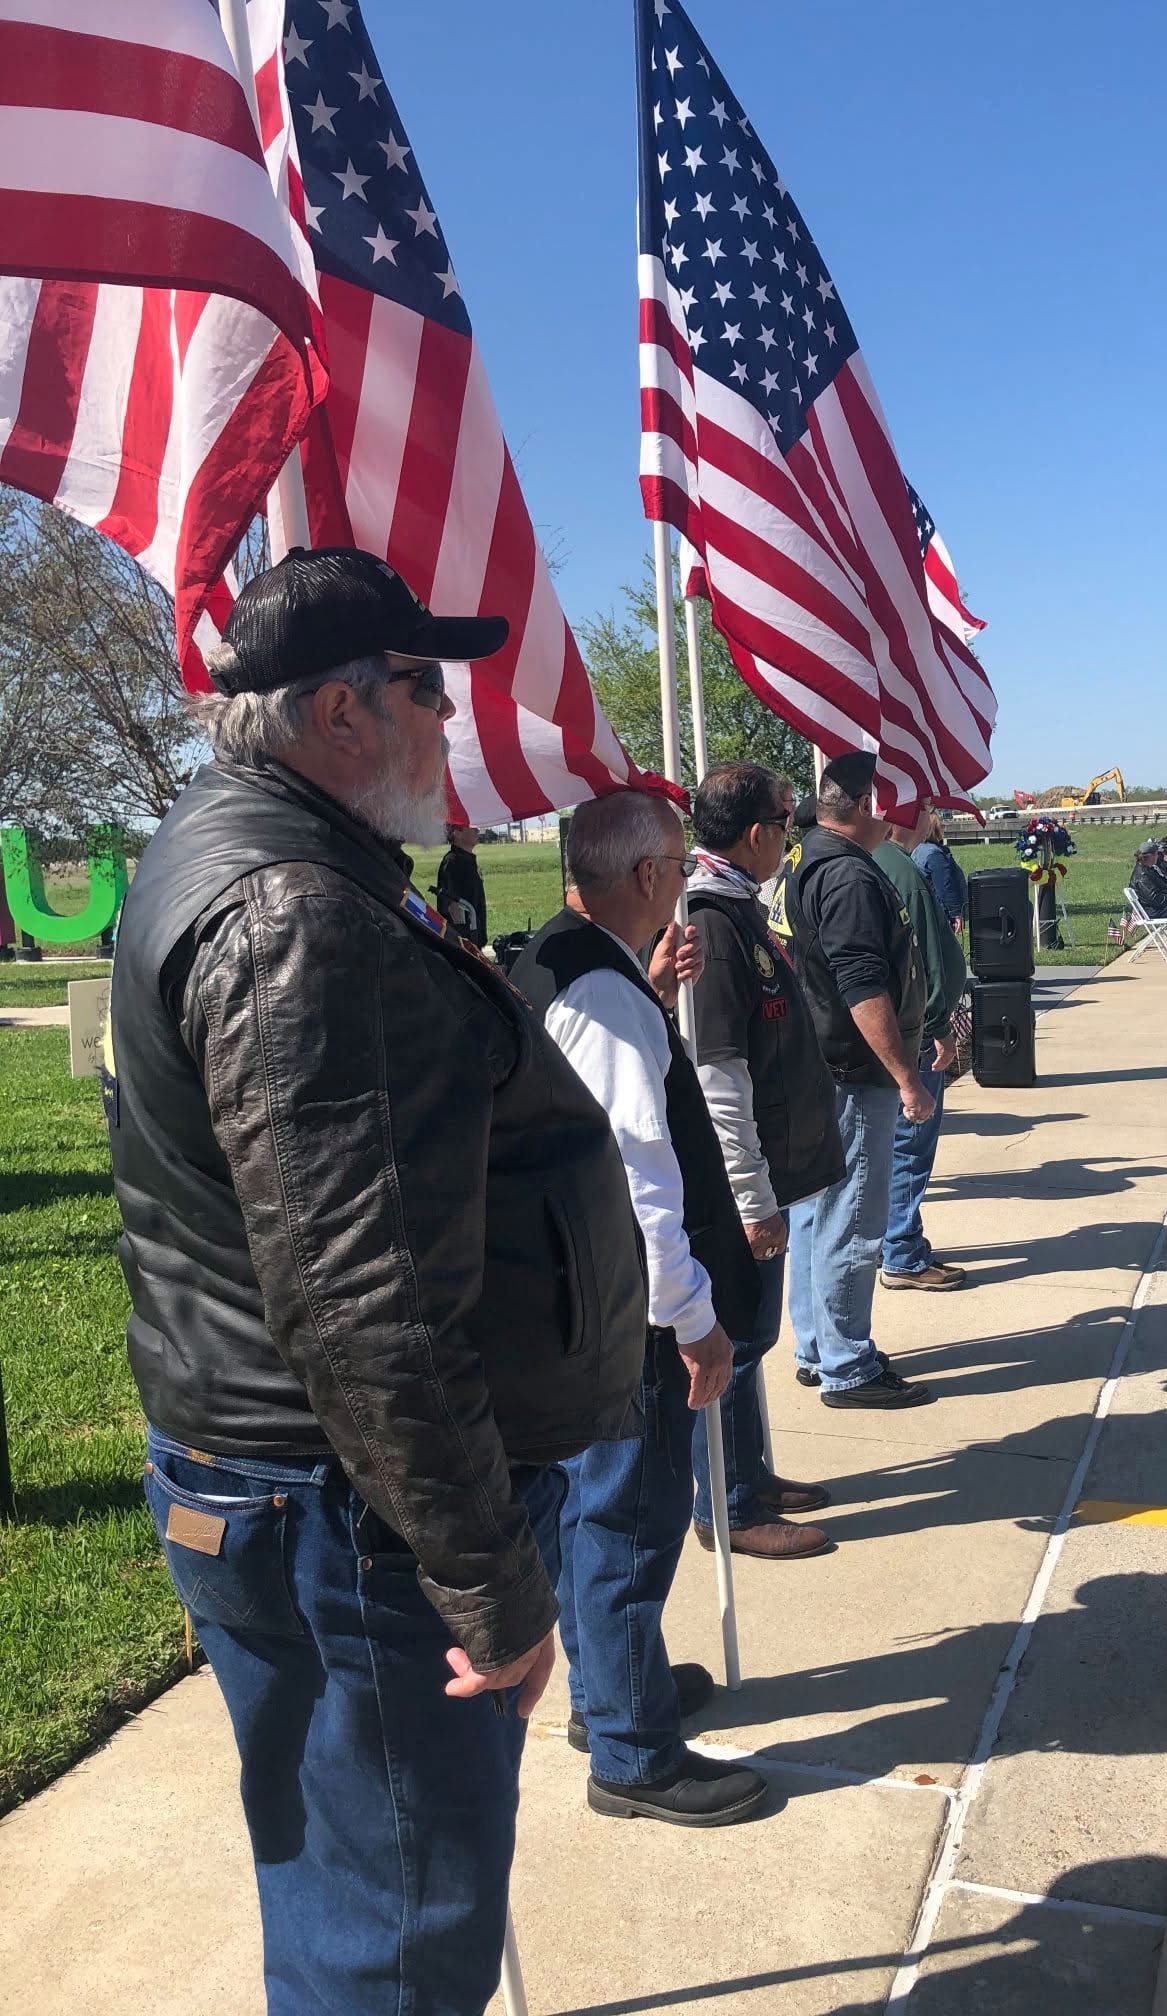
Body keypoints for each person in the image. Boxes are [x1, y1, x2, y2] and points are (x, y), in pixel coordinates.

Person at [107, 546, 648, 2016]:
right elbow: (361, 1304)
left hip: (310, 1494)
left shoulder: (281, 863)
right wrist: (488, 1582)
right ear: (343, 714)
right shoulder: (295, 915)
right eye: (429, 690)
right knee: (398, 1931)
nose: (450, 724)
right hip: (353, 1518)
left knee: (357, 1886)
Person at [510, 791, 767, 1827]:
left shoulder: (571, 961)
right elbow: (634, 1176)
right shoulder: (602, 995)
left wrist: (647, 991)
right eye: (676, 867)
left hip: (583, 1305)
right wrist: (692, 1316)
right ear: (651, 879)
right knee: (627, 1521)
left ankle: (614, 1688)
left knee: (601, 1516)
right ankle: (632, 1750)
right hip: (626, 1314)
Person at [687, 762, 846, 1560]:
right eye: (786, 820)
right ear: (757, 834)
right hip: (735, 1187)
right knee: (736, 1345)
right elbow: (719, 1074)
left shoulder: (738, 908)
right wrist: (752, 1199)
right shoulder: (712, 921)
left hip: (771, 1170)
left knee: (751, 1345)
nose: (791, 833)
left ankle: (750, 1471)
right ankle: (730, 1504)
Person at [768, 752, 934, 1408]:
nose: (897, 812)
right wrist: (905, 1076)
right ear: (865, 804)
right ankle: (846, 1363)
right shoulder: (846, 877)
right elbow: (861, 983)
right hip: (851, 1075)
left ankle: (817, 1346)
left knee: (815, 1216)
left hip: (817, 1069)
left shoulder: (804, 859)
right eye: (888, 798)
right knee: (850, 1222)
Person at [876, 805, 970, 1290]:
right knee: (910, 1144)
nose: (928, 820)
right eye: (923, 810)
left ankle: (890, 1243)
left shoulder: (835, 861)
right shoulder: (900, 868)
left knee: (877, 1149)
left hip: (872, 1033)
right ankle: (903, 1252)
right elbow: (935, 957)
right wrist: (940, 1024)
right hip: (911, 1031)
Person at [913, 812, 968, 930]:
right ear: (935, 829)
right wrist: (956, 913)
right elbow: (945, 886)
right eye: (942, 826)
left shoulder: (918, 850)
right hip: (940, 913)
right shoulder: (935, 855)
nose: (944, 829)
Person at [435, 821, 487, 941]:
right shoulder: (453, 862)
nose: (477, 830)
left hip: (474, 933)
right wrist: (465, 938)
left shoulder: (466, 860)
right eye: (470, 827)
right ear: (457, 833)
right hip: (464, 938)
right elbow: (451, 905)